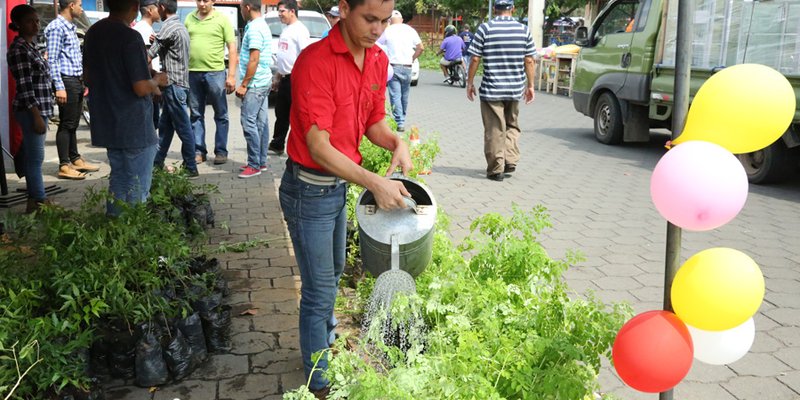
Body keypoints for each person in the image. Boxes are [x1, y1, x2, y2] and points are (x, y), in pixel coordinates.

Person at [279, 0, 412, 395]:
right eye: (369, 18)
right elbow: (318, 147)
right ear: (344, 9)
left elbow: (373, 122)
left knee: (334, 272)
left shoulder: (377, 59)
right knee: (319, 290)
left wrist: (396, 142)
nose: (378, 29)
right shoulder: (315, 62)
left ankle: (326, 341)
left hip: (337, 188)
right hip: (309, 189)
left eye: (385, 20)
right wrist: (373, 182)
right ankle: (318, 381)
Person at [83, 0, 168, 215]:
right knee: (138, 187)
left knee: (119, 180)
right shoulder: (130, 37)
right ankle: (133, 236)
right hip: (133, 123)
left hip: (106, 120)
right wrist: (157, 81)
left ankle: (115, 228)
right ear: (134, 7)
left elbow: (87, 76)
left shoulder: (94, 32)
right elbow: (140, 87)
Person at [466, 0, 536, 182]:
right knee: (512, 125)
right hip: (514, 89)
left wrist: (470, 82)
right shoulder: (523, 30)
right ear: (513, 9)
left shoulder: (485, 28)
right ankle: (510, 160)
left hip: (492, 89)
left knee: (495, 129)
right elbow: (529, 60)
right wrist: (530, 86)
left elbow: (475, 59)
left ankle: (497, 169)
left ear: (495, 9)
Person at [44, 0, 100, 180]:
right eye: (80, 5)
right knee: (66, 123)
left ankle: (75, 158)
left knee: (73, 122)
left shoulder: (70, 27)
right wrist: (59, 87)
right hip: (66, 81)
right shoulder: (57, 27)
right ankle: (64, 164)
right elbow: (52, 60)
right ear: (71, 6)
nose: (82, 9)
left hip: (75, 80)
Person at [7, 4, 55, 213]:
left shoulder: (30, 47)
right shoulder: (19, 50)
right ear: (18, 24)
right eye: (30, 21)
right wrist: (36, 116)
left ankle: (34, 202)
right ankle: (39, 200)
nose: (35, 25)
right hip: (31, 110)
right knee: (35, 159)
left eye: (36, 20)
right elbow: (25, 87)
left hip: (40, 108)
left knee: (34, 157)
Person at [185, 0, 239, 165]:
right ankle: (198, 151)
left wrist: (231, 75)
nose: (202, 4)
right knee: (195, 115)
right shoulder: (189, 18)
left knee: (221, 114)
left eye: (206, 0)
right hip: (193, 73)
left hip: (215, 73)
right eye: (199, 0)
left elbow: (231, 47)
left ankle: (221, 151)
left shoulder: (222, 19)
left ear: (213, 1)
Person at [149, 0, 198, 178]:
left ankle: (191, 166)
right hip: (178, 84)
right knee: (165, 127)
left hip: (174, 84)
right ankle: (157, 163)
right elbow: (167, 48)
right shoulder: (179, 26)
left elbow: (149, 54)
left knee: (183, 127)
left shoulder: (168, 27)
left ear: (162, 8)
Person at [235, 0, 272, 178]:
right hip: (263, 81)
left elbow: (254, 59)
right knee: (261, 123)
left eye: (241, 8)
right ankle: (261, 161)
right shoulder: (259, 24)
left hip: (255, 84)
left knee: (248, 122)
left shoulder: (256, 28)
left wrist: (243, 85)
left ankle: (254, 164)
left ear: (247, 8)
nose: (241, 11)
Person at [268, 0, 310, 156]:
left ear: (292, 11)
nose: (280, 14)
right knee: (281, 113)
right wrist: (278, 77)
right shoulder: (286, 30)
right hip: (285, 78)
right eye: (279, 11)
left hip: (296, 80)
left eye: (282, 11)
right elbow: (284, 57)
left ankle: (302, 148)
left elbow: (305, 57)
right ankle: (277, 144)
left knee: (297, 116)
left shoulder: (300, 31)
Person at [376, 9, 422, 132]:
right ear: (402, 20)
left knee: (395, 95)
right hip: (407, 66)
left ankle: (399, 121)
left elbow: (377, 44)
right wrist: (412, 58)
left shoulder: (387, 30)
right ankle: (402, 118)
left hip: (393, 66)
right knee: (404, 95)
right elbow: (420, 48)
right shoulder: (410, 30)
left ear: (390, 20)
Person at [133, 0, 162, 130]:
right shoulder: (143, 30)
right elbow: (145, 60)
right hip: (147, 83)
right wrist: (154, 85)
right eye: (157, 8)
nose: (160, 11)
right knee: (150, 122)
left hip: (150, 82)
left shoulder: (147, 28)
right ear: (150, 11)